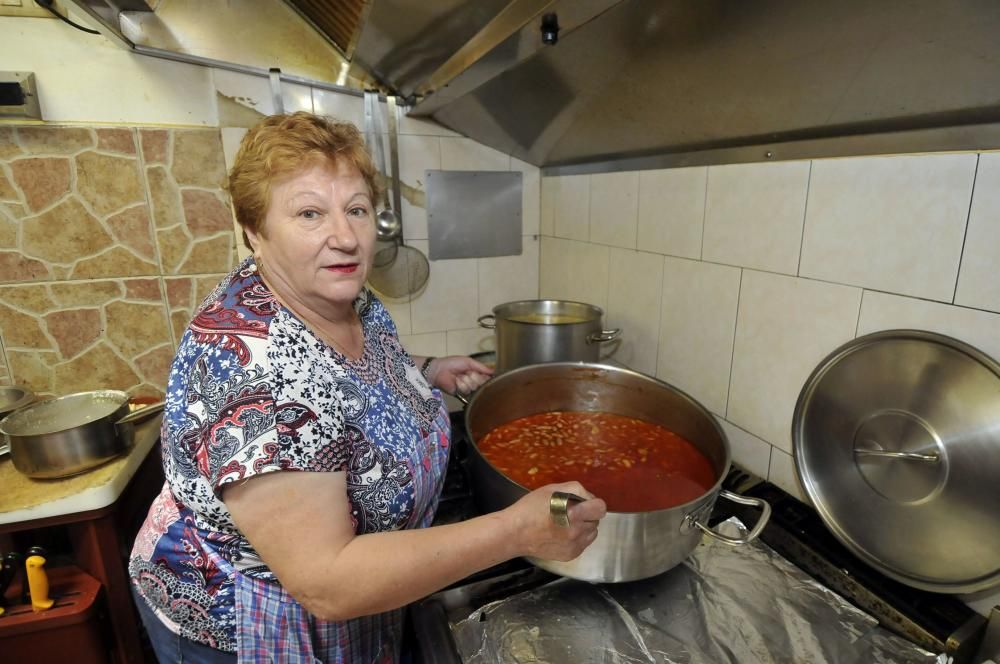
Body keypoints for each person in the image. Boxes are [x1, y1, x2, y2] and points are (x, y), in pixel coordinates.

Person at [128, 111, 607, 663]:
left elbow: (361, 367)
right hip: (252, 624)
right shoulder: (260, 379)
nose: (345, 236)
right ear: (255, 231)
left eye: (355, 209)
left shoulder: (336, 292)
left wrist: (425, 369)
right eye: (309, 213)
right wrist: (515, 532)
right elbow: (328, 583)